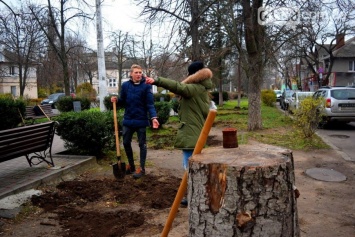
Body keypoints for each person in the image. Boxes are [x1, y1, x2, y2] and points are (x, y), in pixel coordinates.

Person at [145, 61, 213, 205]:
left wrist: (157, 81)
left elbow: (178, 86)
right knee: (193, 166)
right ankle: (197, 194)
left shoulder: (194, 88)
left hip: (191, 132)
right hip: (194, 131)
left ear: (193, 75)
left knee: (189, 167)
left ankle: (194, 196)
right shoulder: (201, 89)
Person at [111, 64, 159, 179]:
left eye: (140, 72)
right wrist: (116, 100)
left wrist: (154, 118)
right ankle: (131, 166)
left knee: (142, 144)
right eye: (136, 72)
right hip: (128, 120)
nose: (139, 74)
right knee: (126, 142)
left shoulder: (146, 86)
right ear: (131, 74)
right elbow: (122, 100)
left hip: (141, 120)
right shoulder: (125, 85)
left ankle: (141, 168)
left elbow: (150, 104)